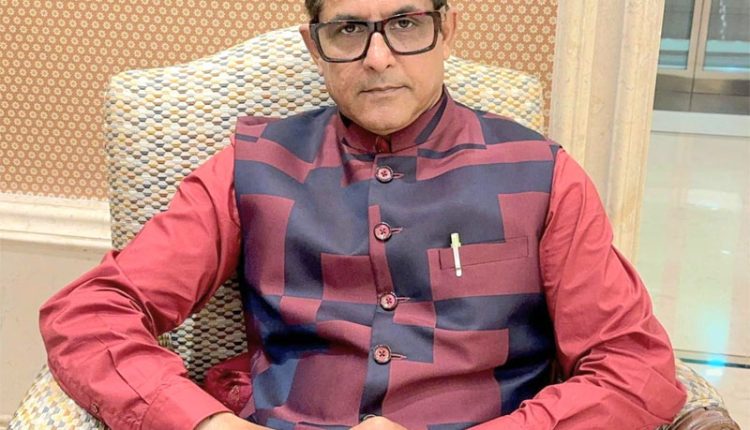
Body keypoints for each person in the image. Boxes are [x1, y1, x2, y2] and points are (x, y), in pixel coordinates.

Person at [39, 0, 687, 429]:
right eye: (348, 30)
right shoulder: (250, 166)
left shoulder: (543, 175)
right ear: (314, 45)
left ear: (446, 30)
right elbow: (89, 315)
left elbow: (637, 371)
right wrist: (206, 423)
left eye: (405, 23)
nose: (378, 58)